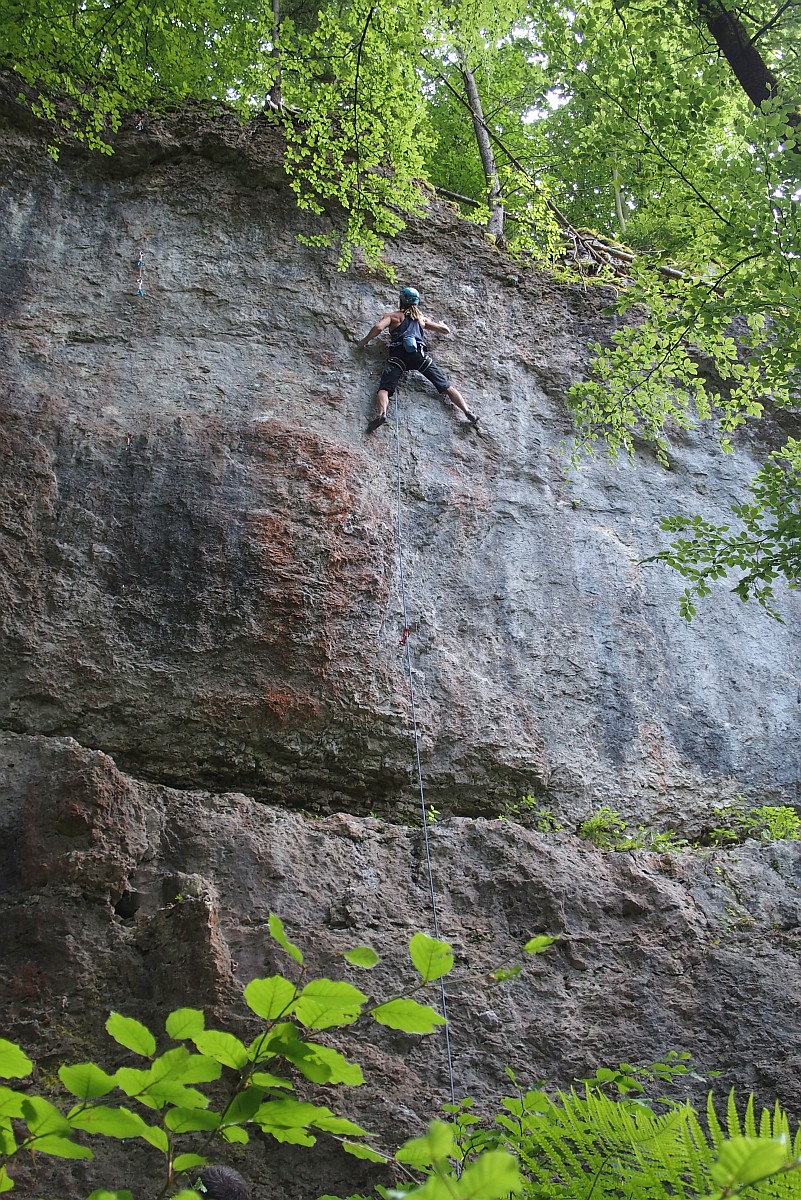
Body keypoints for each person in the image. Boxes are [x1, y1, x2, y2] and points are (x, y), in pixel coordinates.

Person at [357, 286, 479, 432]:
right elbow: (445, 331)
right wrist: (443, 325)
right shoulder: (420, 319)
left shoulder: (392, 316)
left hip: (398, 357)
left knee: (384, 388)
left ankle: (381, 413)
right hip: (419, 356)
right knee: (446, 386)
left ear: (401, 300)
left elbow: (378, 327)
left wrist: (364, 341)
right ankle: (467, 411)